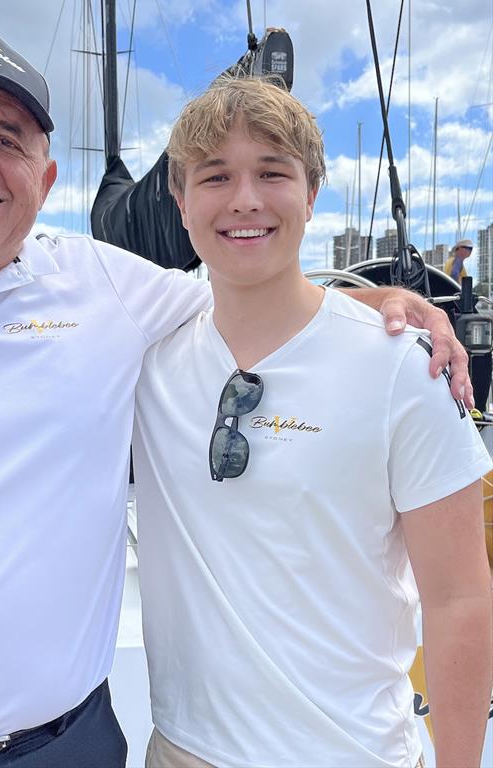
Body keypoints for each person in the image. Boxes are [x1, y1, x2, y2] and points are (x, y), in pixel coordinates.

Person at [0, 36, 472, 768]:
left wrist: (383, 303)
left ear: (47, 177)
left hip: (65, 746)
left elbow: (259, 291)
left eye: (9, 139)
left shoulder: (108, 289)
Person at [131, 78, 492, 767]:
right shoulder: (149, 358)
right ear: (181, 202)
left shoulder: (399, 369)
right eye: (216, 176)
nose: (245, 199)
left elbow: (460, 599)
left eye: (273, 173)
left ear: (311, 194)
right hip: (184, 752)